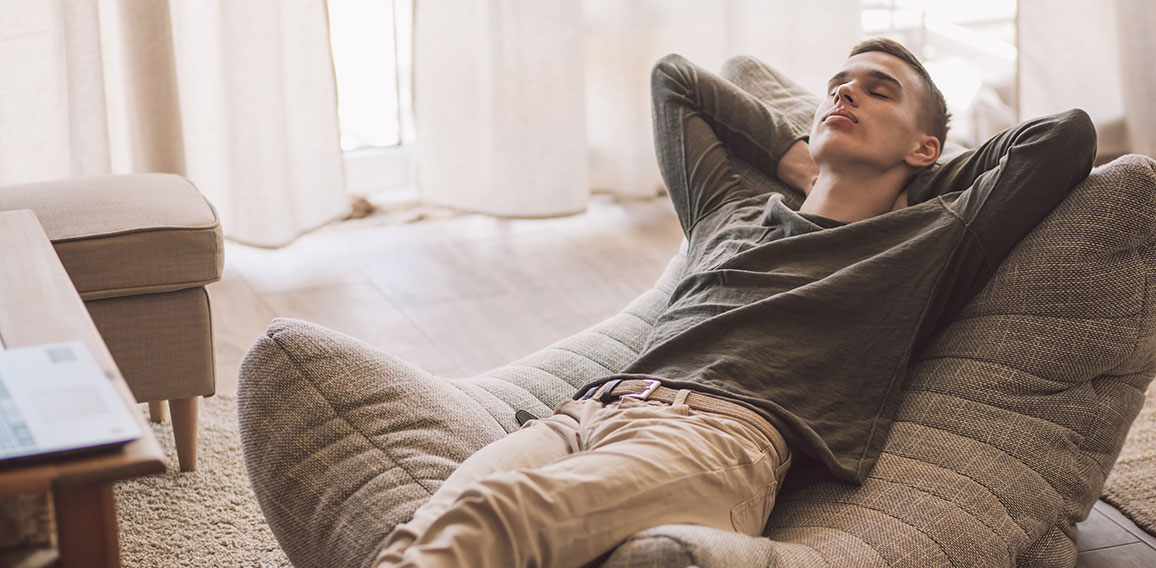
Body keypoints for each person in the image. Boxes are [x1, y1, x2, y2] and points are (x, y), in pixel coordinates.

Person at [376, 37, 1097, 568]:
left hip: (717, 443)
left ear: (925, 146)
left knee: (489, 521)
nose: (844, 94)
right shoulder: (731, 211)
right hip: (588, 413)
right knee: (427, 527)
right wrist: (796, 155)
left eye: (879, 90)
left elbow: (1063, 137)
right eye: (837, 85)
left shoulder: (925, 239)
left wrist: (915, 178)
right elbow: (675, 80)